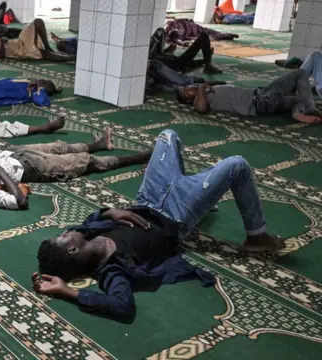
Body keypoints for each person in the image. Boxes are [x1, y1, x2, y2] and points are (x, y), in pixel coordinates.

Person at [32, 129, 285, 322]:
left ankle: (193, 189)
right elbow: (122, 306)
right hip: (177, 213)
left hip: (149, 198)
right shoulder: (112, 270)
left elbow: (94, 217)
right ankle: (257, 236)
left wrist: (111, 211)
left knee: (168, 136)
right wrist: (68, 292)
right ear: (73, 251)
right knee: (237, 165)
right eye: (63, 237)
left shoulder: (88, 232)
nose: (66, 231)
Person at [0, 129, 153, 210]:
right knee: (84, 163)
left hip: (15, 153)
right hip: (31, 169)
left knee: (59, 147)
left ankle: (101, 144)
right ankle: (134, 159)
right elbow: (20, 201)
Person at [177, 68, 322, 124]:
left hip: (262, 104)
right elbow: (201, 109)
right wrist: (201, 88)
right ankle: (308, 109)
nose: (189, 87)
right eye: (186, 91)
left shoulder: (207, 91)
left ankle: (298, 112)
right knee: (300, 73)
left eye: (187, 86)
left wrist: (207, 85)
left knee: (298, 97)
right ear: (188, 99)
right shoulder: (199, 99)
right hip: (260, 98)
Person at [0, 18, 75, 62]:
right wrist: (2, 41)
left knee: (38, 22)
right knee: (42, 53)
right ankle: (69, 58)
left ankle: (48, 47)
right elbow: (0, 55)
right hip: (20, 51)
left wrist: (2, 39)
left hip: (19, 41)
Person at [149, 27, 222, 75]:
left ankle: (207, 61)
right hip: (178, 63)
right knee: (204, 37)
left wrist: (168, 50)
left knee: (199, 62)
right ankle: (208, 64)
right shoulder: (149, 59)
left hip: (177, 61)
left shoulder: (151, 54)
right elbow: (156, 59)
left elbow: (158, 56)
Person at [165, 18, 239, 44]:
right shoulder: (175, 36)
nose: (179, 31)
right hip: (195, 33)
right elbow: (178, 41)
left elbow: (177, 20)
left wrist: (187, 19)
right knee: (209, 36)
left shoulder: (170, 24)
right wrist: (184, 43)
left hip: (195, 27)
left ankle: (224, 34)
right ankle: (227, 36)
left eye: (177, 30)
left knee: (211, 31)